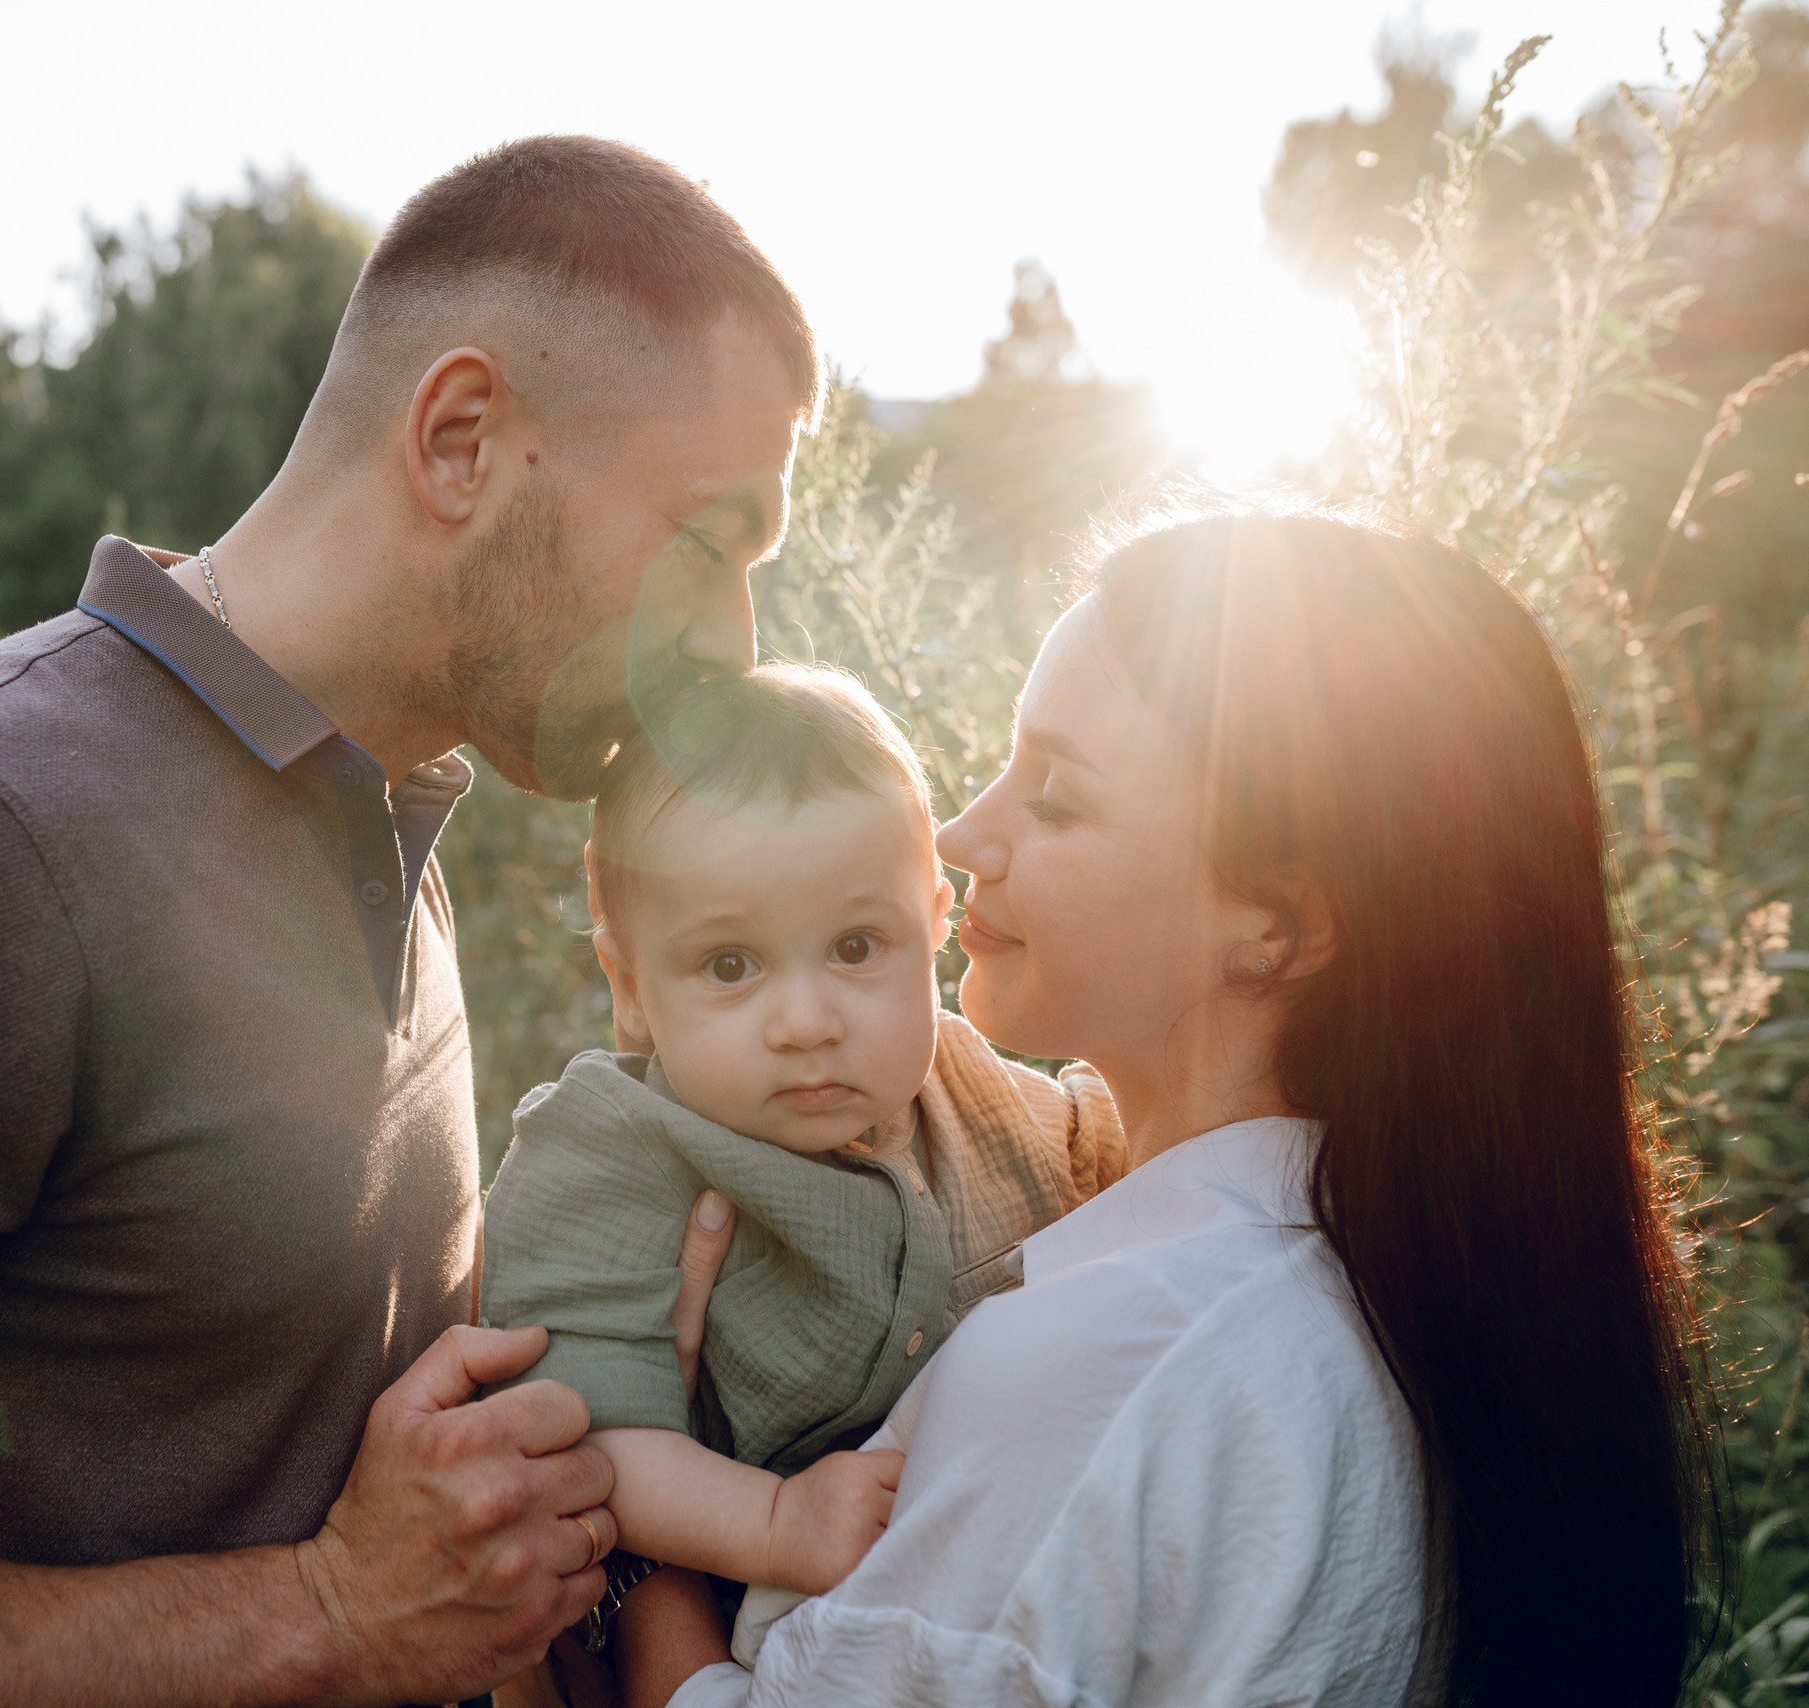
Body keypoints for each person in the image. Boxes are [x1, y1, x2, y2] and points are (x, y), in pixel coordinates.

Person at [0, 135, 823, 1708]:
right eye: (707, 544)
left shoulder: (386, 815)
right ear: (460, 440)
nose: (733, 642)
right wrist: (327, 1612)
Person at [621, 504, 1718, 1708]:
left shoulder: (1101, 1365)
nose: (962, 834)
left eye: (1055, 796)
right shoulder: (1431, 1282)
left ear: (1279, 924)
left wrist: (634, 1495)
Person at [480, 665, 1119, 1598]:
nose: (807, 1022)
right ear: (630, 985)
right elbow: (581, 1427)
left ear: (935, 929)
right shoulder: (615, 1149)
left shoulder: (968, 1084)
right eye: (729, 965)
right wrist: (772, 1522)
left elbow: (1114, 1152)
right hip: (766, 1609)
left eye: (856, 948)